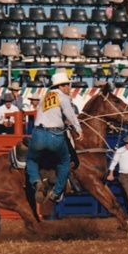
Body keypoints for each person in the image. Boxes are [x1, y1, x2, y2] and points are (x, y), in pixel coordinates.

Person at [26, 72, 84, 203]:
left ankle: (36, 182)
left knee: (31, 160)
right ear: (62, 87)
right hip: (55, 135)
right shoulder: (63, 97)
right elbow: (70, 114)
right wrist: (78, 129)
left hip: (38, 133)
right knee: (64, 162)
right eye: (68, 85)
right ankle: (56, 192)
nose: (69, 88)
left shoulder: (43, 97)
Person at [107, 135, 128, 219]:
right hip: (124, 176)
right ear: (125, 143)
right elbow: (114, 162)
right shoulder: (120, 151)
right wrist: (111, 173)